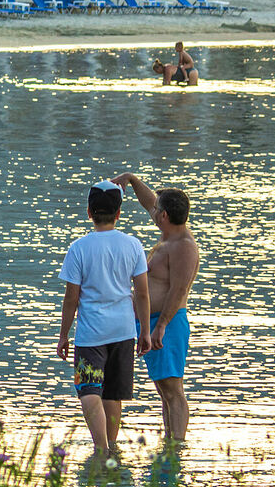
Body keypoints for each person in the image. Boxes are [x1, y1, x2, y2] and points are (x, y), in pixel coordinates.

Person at [58, 180, 152, 457]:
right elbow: (142, 294)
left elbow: (71, 298)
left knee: (89, 389)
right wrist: (145, 330)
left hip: (90, 334)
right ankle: (110, 452)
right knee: (112, 394)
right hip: (123, 331)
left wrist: (64, 334)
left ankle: (101, 450)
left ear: (89, 212)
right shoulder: (133, 245)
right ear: (119, 213)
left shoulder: (78, 248)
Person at [113, 173, 200, 442]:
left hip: (168, 324)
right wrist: (131, 179)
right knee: (163, 388)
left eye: (156, 210)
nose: (152, 211)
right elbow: (149, 201)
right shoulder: (169, 235)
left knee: (173, 390)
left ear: (164, 216)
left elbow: (179, 290)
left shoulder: (183, 246)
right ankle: (169, 443)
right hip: (151, 323)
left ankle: (177, 447)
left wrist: (160, 326)